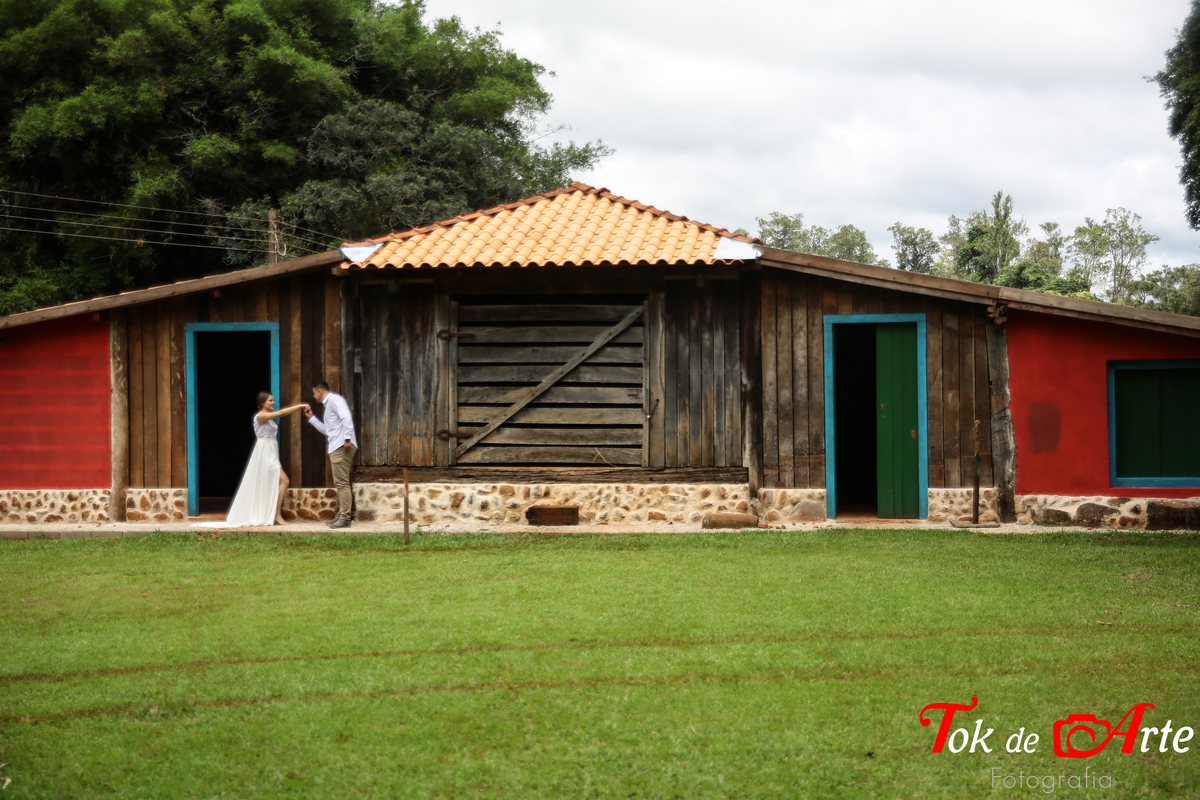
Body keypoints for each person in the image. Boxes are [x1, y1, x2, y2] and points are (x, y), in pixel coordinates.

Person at [195, 392, 307, 527]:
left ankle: (272, 513)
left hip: (271, 450)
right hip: (265, 452)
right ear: (262, 403)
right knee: (285, 480)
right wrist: (299, 406)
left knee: (274, 482)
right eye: (270, 401)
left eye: (273, 400)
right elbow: (282, 413)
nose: (273, 402)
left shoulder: (268, 417)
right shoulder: (260, 416)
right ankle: (277, 514)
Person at [305, 381, 358, 528]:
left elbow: (346, 417)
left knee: (342, 483)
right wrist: (311, 418)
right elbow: (328, 431)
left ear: (319, 391)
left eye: (313, 393)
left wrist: (347, 438)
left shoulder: (334, 400)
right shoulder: (328, 404)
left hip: (342, 446)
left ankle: (345, 518)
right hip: (337, 446)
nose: (313, 396)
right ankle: (342, 516)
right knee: (340, 483)